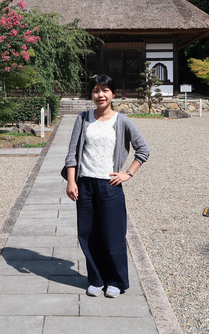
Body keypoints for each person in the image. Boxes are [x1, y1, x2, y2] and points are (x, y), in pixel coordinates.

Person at [64, 74, 150, 298]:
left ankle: (116, 280)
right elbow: (72, 153)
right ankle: (96, 278)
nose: (99, 95)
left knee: (113, 235)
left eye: (104, 90)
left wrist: (128, 173)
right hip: (85, 185)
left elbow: (143, 150)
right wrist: (72, 181)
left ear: (113, 94)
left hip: (110, 186)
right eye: (95, 90)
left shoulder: (121, 121)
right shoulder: (83, 119)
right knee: (88, 234)